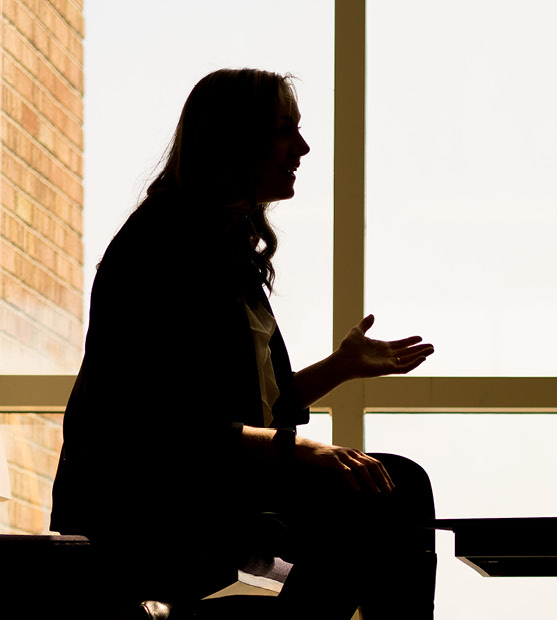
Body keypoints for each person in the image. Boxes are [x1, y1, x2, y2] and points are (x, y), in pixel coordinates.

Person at [50, 68, 438, 619]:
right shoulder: (158, 250)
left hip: (204, 483)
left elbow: (243, 412)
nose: (302, 147)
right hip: (146, 501)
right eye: (285, 130)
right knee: (387, 491)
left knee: (392, 486)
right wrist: (300, 449)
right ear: (234, 139)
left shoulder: (222, 250)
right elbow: (156, 425)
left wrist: (340, 368)